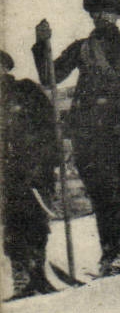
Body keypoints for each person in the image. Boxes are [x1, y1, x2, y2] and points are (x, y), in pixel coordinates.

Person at [32, 0, 120, 274]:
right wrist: (42, 44)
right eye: (97, 13)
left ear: (118, 15)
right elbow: (50, 77)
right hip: (86, 130)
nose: (102, 17)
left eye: (108, 12)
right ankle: (109, 253)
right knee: (99, 191)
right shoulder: (81, 48)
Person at [3, 49, 59, 296]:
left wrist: (48, 160)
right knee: (13, 224)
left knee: (37, 220)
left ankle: (38, 273)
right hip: (7, 175)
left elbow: (48, 126)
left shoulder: (26, 91)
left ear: (5, 67)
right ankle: (22, 277)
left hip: (35, 168)